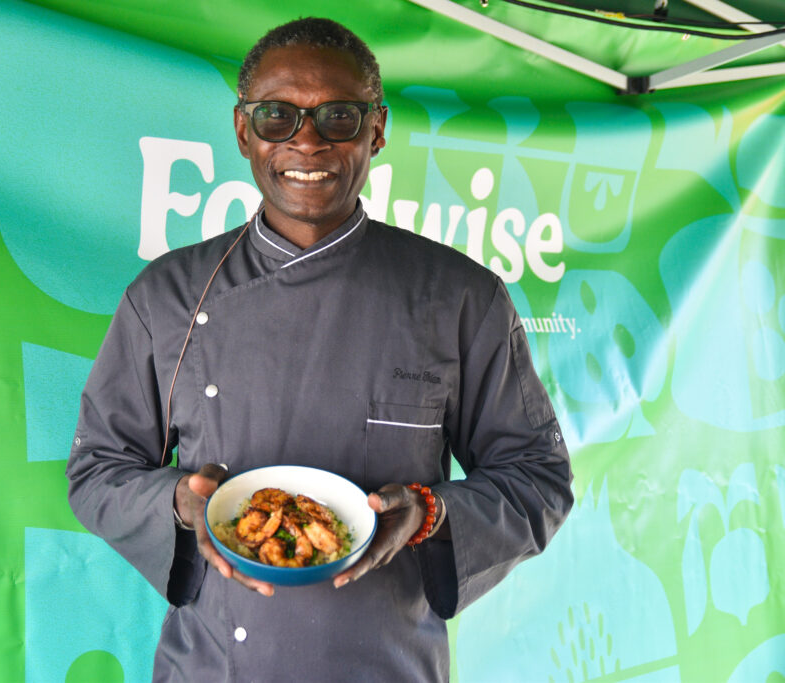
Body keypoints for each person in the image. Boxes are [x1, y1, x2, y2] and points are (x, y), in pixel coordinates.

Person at [67, 17, 573, 681]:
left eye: (339, 116)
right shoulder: (166, 297)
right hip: (213, 667)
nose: (306, 141)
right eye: (278, 116)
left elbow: (538, 475)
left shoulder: (460, 297)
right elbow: (98, 468)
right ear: (244, 131)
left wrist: (430, 513)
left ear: (377, 129)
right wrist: (178, 503)